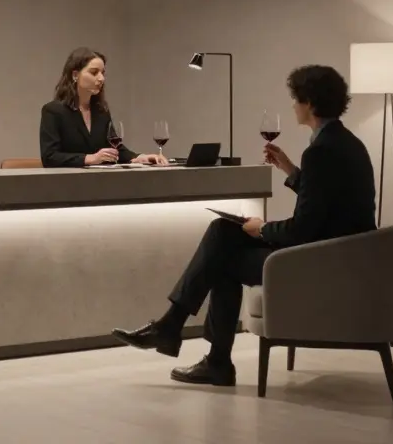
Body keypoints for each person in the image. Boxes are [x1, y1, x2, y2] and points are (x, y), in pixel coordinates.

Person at [110, 64, 376, 386]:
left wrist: (262, 228)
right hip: (337, 254)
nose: (292, 105)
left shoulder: (320, 152)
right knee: (222, 231)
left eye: (295, 99)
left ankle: (197, 347)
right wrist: (292, 172)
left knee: (222, 260)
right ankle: (183, 337)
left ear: (309, 102)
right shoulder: (346, 144)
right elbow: (328, 205)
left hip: (317, 262)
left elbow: (302, 229)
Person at [39, 47, 167, 168]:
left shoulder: (101, 112)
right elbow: (50, 157)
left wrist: (140, 157)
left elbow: (115, 148)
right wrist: (90, 159)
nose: (101, 78)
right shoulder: (53, 111)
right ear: (75, 75)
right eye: (94, 72)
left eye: (102, 73)